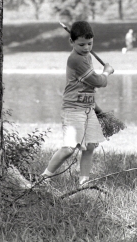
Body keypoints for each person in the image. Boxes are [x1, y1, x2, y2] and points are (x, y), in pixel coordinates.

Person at [40, 21, 114, 186]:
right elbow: (97, 81)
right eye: (81, 44)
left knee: (90, 147)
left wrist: (96, 108)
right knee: (69, 148)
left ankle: (84, 183)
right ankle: (43, 179)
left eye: (90, 43)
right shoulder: (76, 60)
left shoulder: (86, 56)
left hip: (87, 108)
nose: (87, 47)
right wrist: (106, 72)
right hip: (73, 109)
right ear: (71, 42)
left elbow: (87, 87)